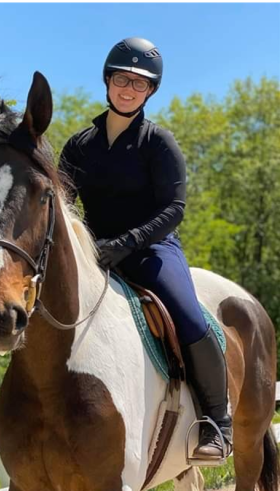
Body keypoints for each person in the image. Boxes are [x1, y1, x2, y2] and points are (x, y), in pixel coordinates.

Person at [59, 37, 232, 462]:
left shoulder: (159, 143)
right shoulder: (80, 146)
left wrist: (128, 242)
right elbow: (60, 203)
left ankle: (217, 422)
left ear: (150, 91)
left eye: (139, 83)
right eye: (122, 79)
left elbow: (174, 209)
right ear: (107, 80)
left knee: (190, 316)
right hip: (95, 254)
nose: (129, 89)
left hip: (153, 250)